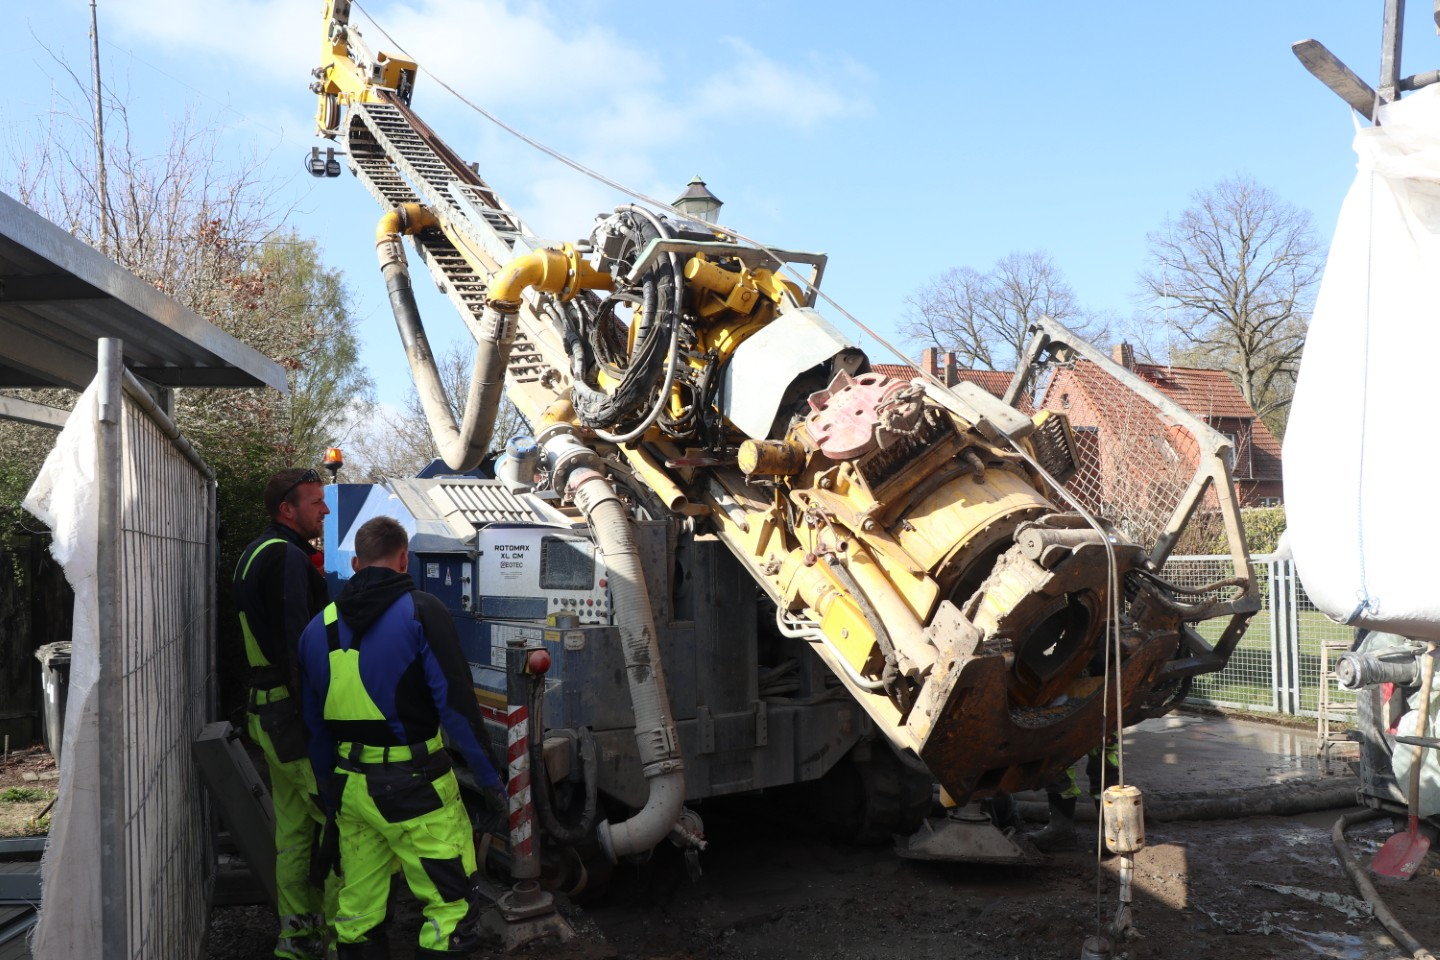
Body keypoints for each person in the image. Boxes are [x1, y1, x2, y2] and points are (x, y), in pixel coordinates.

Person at [297, 515, 507, 959]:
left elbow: (314, 731)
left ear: (355, 562)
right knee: (450, 910)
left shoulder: (315, 630)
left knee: (358, 913)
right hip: (417, 789)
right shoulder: (420, 610)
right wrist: (489, 782)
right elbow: (455, 705)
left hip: (351, 788)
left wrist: (330, 797)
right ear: (403, 559)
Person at [233, 467, 333, 960]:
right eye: (316, 502)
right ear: (287, 510)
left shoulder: (253, 554)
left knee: (294, 837)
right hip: (292, 720)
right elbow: (299, 648)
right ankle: (342, 940)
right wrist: (317, 722)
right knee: (338, 825)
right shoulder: (288, 559)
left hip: (266, 713)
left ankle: (298, 941)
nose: (326, 510)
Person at [1026, 736, 1120, 852]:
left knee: (1103, 758)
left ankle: (1112, 833)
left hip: (1102, 720)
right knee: (1057, 761)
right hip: (1056, 720)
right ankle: (1060, 829)